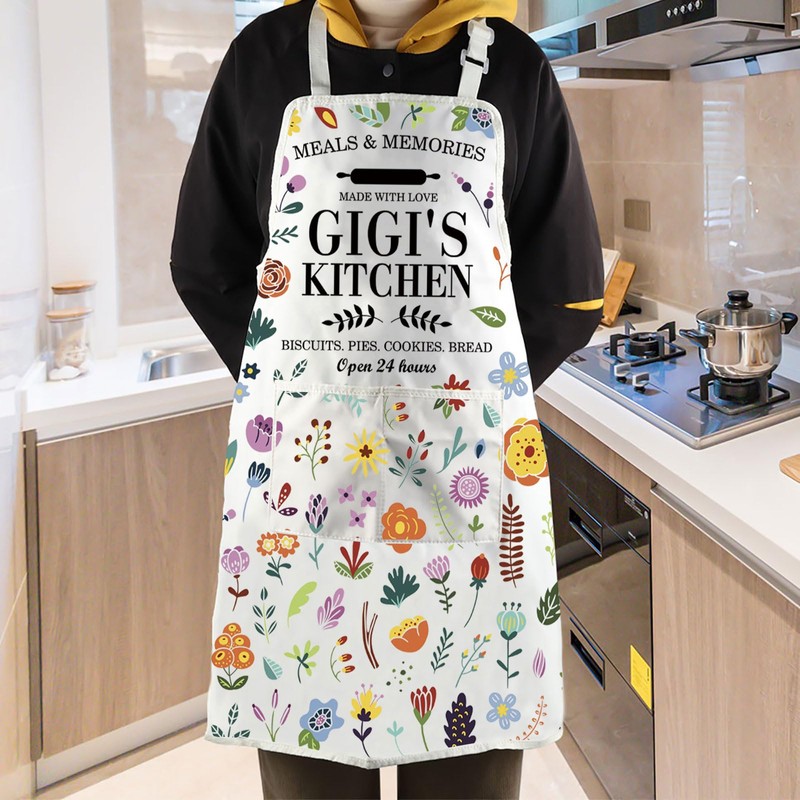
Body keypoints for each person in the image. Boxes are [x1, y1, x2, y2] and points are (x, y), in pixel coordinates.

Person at [170, 1, 604, 798]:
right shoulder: (260, 60)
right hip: (300, 519)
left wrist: (467, 395)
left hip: (472, 519)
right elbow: (206, 266)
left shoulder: (515, 69)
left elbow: (570, 297)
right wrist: (299, 389)